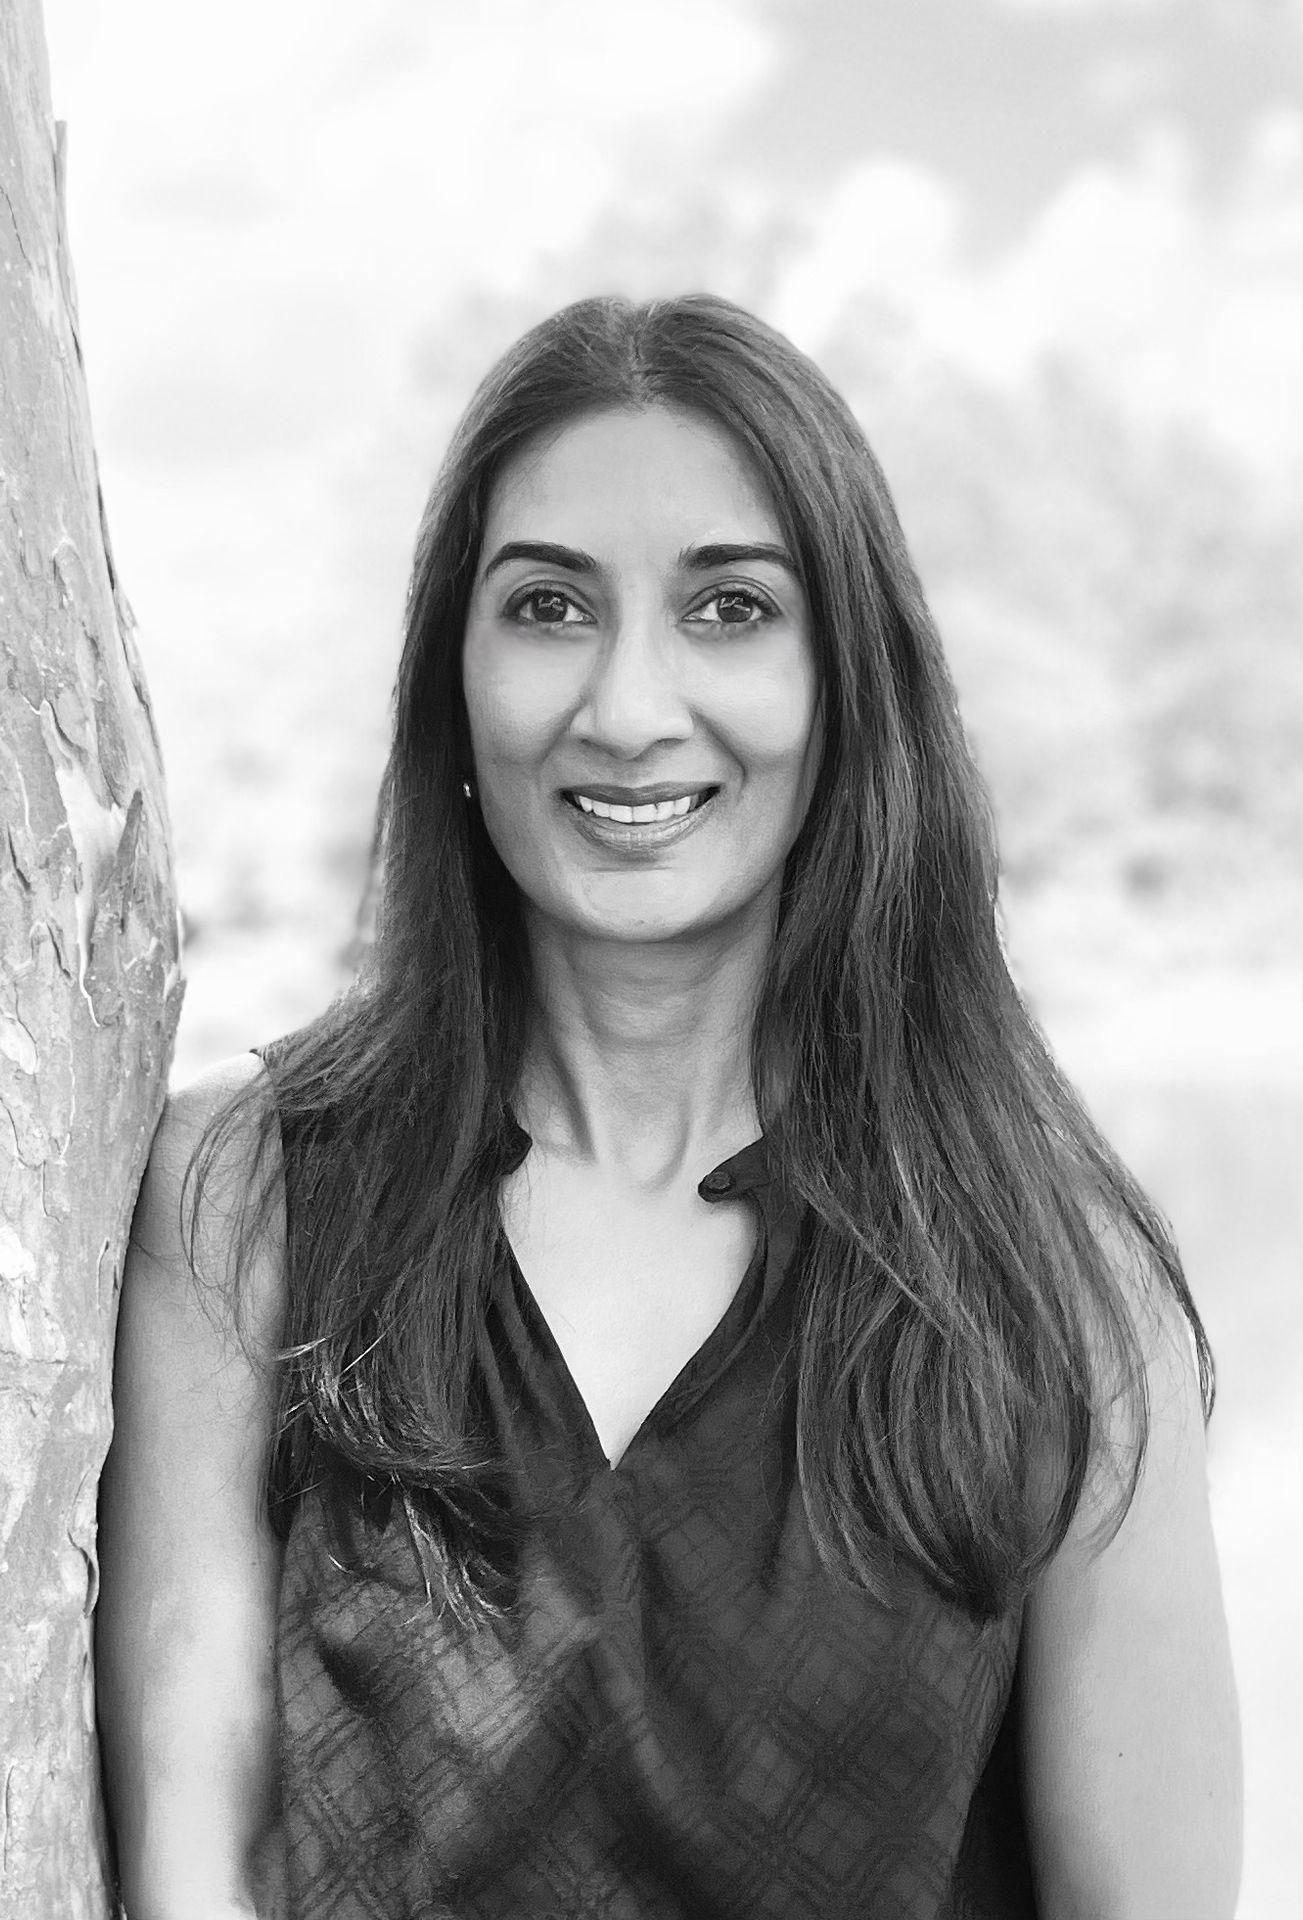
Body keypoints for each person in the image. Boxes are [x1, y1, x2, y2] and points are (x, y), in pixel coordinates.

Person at [95, 294, 1243, 1920]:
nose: (629, 708)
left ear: (848, 684)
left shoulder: (1063, 1284)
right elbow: (197, 1853)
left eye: (729, 608)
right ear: (454, 681)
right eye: (549, 605)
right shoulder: (249, 1193)